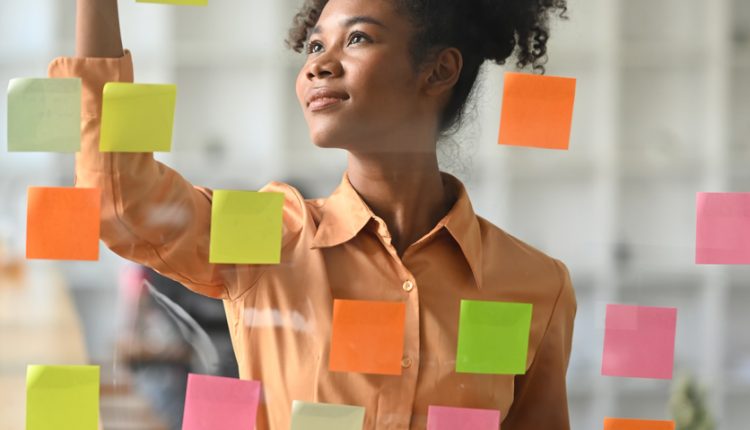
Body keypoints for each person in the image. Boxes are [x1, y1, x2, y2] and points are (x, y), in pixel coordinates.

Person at [55, 0, 576, 428]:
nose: (317, 65)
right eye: (314, 45)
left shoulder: (533, 285)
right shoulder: (275, 239)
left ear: (439, 69)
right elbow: (119, 200)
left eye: (357, 39)